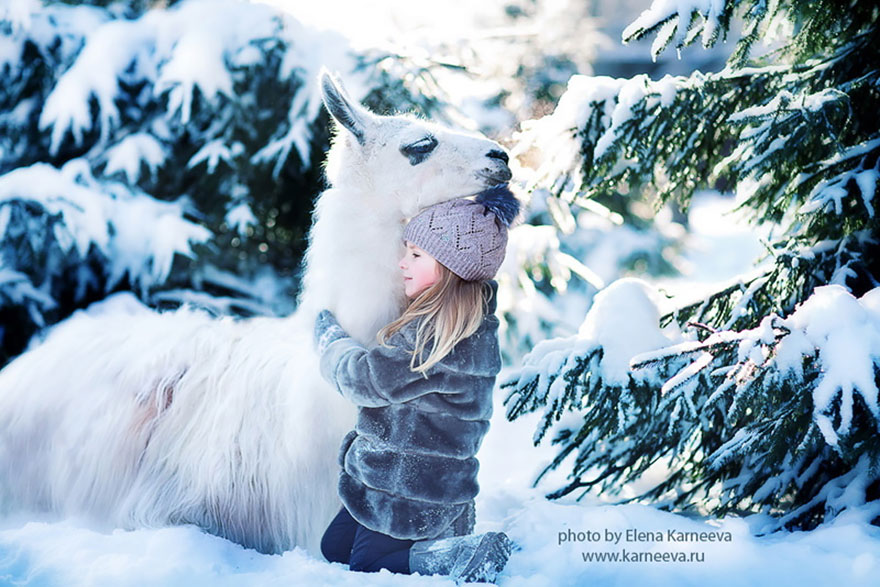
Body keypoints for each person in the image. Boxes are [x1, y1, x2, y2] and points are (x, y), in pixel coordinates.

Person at [313, 185, 520, 583]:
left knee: (368, 566)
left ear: (450, 267)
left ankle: (462, 556)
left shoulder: (435, 336)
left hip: (412, 494)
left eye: (416, 254)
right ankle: (440, 542)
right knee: (333, 549)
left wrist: (331, 341)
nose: (402, 262)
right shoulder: (463, 325)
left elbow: (365, 380)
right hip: (403, 485)